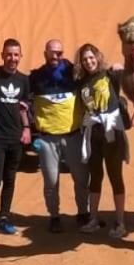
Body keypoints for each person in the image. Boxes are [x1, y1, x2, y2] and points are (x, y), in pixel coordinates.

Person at [29, 38, 89, 233]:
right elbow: (21, 98)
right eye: (53, 52)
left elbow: (97, 79)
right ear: (45, 53)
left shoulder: (75, 74)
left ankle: (83, 213)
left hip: (73, 136)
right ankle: (54, 216)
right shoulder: (35, 78)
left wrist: (115, 72)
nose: (56, 56)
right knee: (51, 182)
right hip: (47, 139)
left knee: (81, 178)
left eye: (60, 52)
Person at [74, 43, 133, 239]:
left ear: (98, 57)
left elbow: (131, 76)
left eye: (91, 57)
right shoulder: (81, 82)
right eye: (84, 59)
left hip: (112, 132)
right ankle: (93, 219)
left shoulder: (110, 76)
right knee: (95, 176)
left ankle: (120, 222)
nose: (89, 62)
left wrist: (121, 68)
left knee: (115, 176)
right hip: (93, 134)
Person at [0, 38, 31, 235]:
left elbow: (23, 108)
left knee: (10, 179)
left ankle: (3, 218)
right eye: (9, 54)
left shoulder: (23, 80)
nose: (12, 58)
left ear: (21, 56)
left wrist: (27, 128)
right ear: (2, 55)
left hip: (16, 137)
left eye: (16, 55)